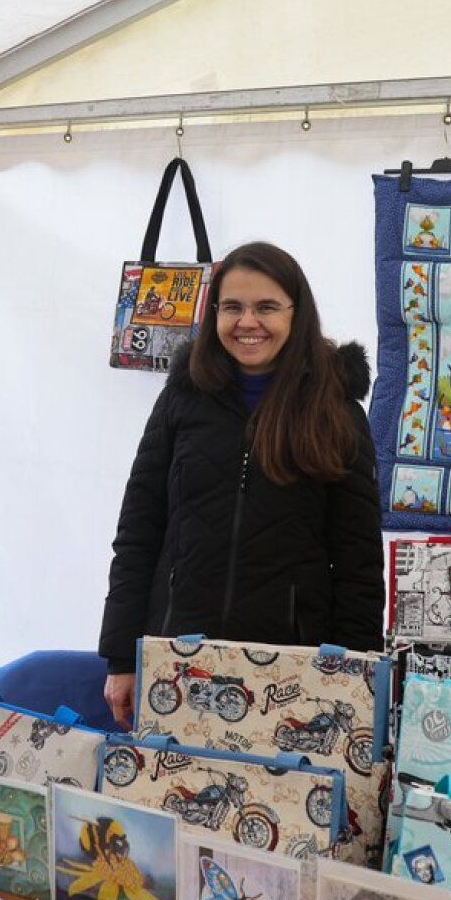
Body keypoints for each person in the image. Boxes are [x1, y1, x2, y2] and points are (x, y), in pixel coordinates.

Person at [99, 241, 384, 727]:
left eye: (266, 307)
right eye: (232, 307)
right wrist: (121, 657)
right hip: (176, 660)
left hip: (293, 672)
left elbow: (359, 561)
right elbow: (137, 535)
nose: (247, 322)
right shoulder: (182, 398)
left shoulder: (335, 411)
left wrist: (355, 677)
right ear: (214, 312)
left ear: (296, 312)